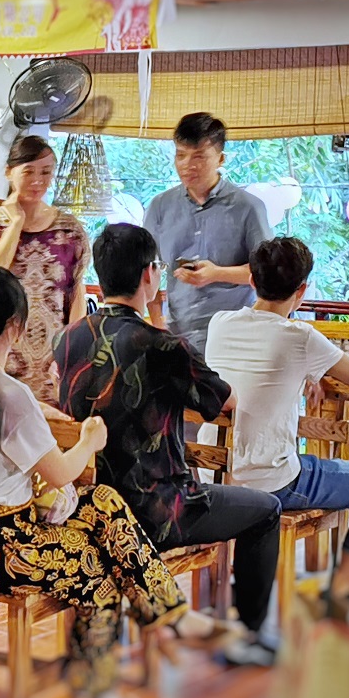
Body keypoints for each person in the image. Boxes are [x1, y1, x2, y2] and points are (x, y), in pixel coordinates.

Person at [0, 268, 225, 698]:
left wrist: (42, 416)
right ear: (15, 325)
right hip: (1, 549)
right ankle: (97, 685)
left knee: (104, 501)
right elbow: (61, 474)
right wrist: (90, 440)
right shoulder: (10, 395)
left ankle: (167, 608)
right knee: (97, 571)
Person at [55, 223, 280, 664]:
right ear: (149, 274)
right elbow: (225, 400)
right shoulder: (162, 345)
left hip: (88, 508)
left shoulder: (68, 339)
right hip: (158, 509)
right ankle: (248, 637)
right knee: (267, 510)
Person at [206, 237, 349, 624]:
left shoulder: (220, 323)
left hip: (214, 476)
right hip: (270, 482)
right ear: (302, 290)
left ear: (252, 281)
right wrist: (314, 362)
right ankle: (341, 593)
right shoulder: (299, 336)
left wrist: (310, 369)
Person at [0, 135, 91, 402]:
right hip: (2, 354)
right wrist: (15, 223)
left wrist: (70, 351)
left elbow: (75, 294)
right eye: (28, 172)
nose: (38, 180)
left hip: (53, 359)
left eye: (45, 172)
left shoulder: (69, 229)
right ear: (9, 172)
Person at [143, 112, 272, 358]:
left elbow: (267, 274)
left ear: (221, 159)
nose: (187, 165)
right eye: (180, 155)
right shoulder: (160, 206)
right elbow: (146, 270)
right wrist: (158, 325)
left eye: (199, 156)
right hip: (177, 338)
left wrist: (216, 274)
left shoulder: (249, 208)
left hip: (236, 340)